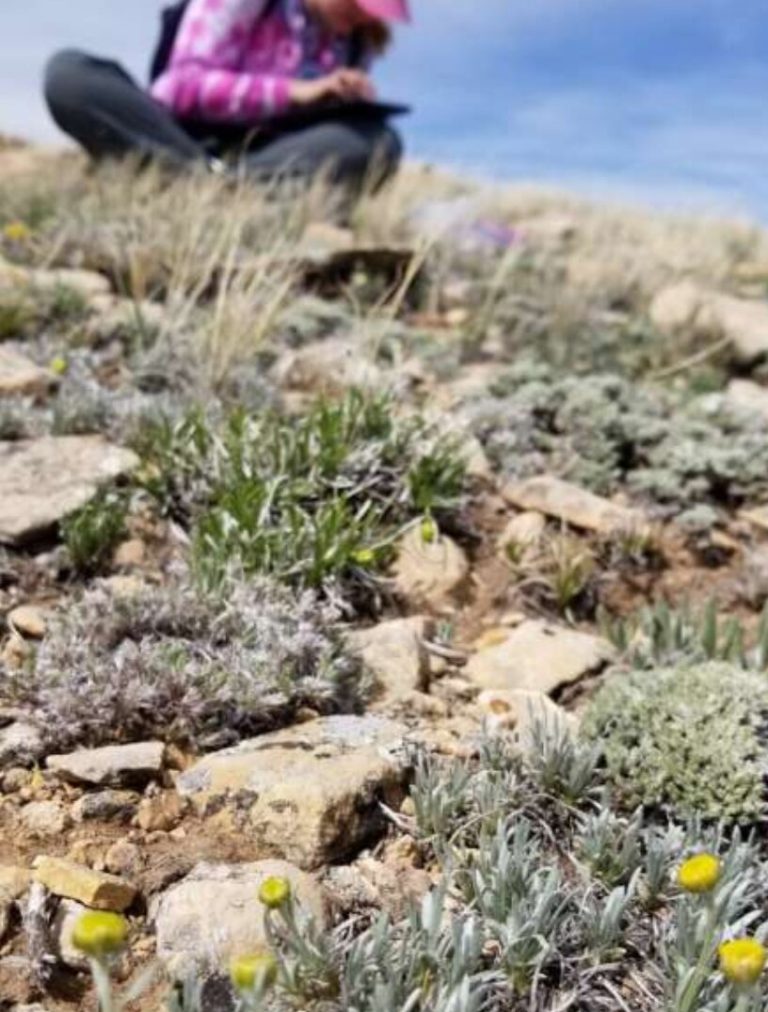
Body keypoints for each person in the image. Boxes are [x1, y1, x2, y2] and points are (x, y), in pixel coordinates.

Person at [43, 0, 410, 191]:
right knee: (71, 76)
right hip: (178, 136)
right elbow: (177, 88)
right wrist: (296, 92)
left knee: (379, 140)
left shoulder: (355, 43)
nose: (364, 14)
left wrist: (338, 105)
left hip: (265, 157)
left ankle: (214, 187)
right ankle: (211, 184)